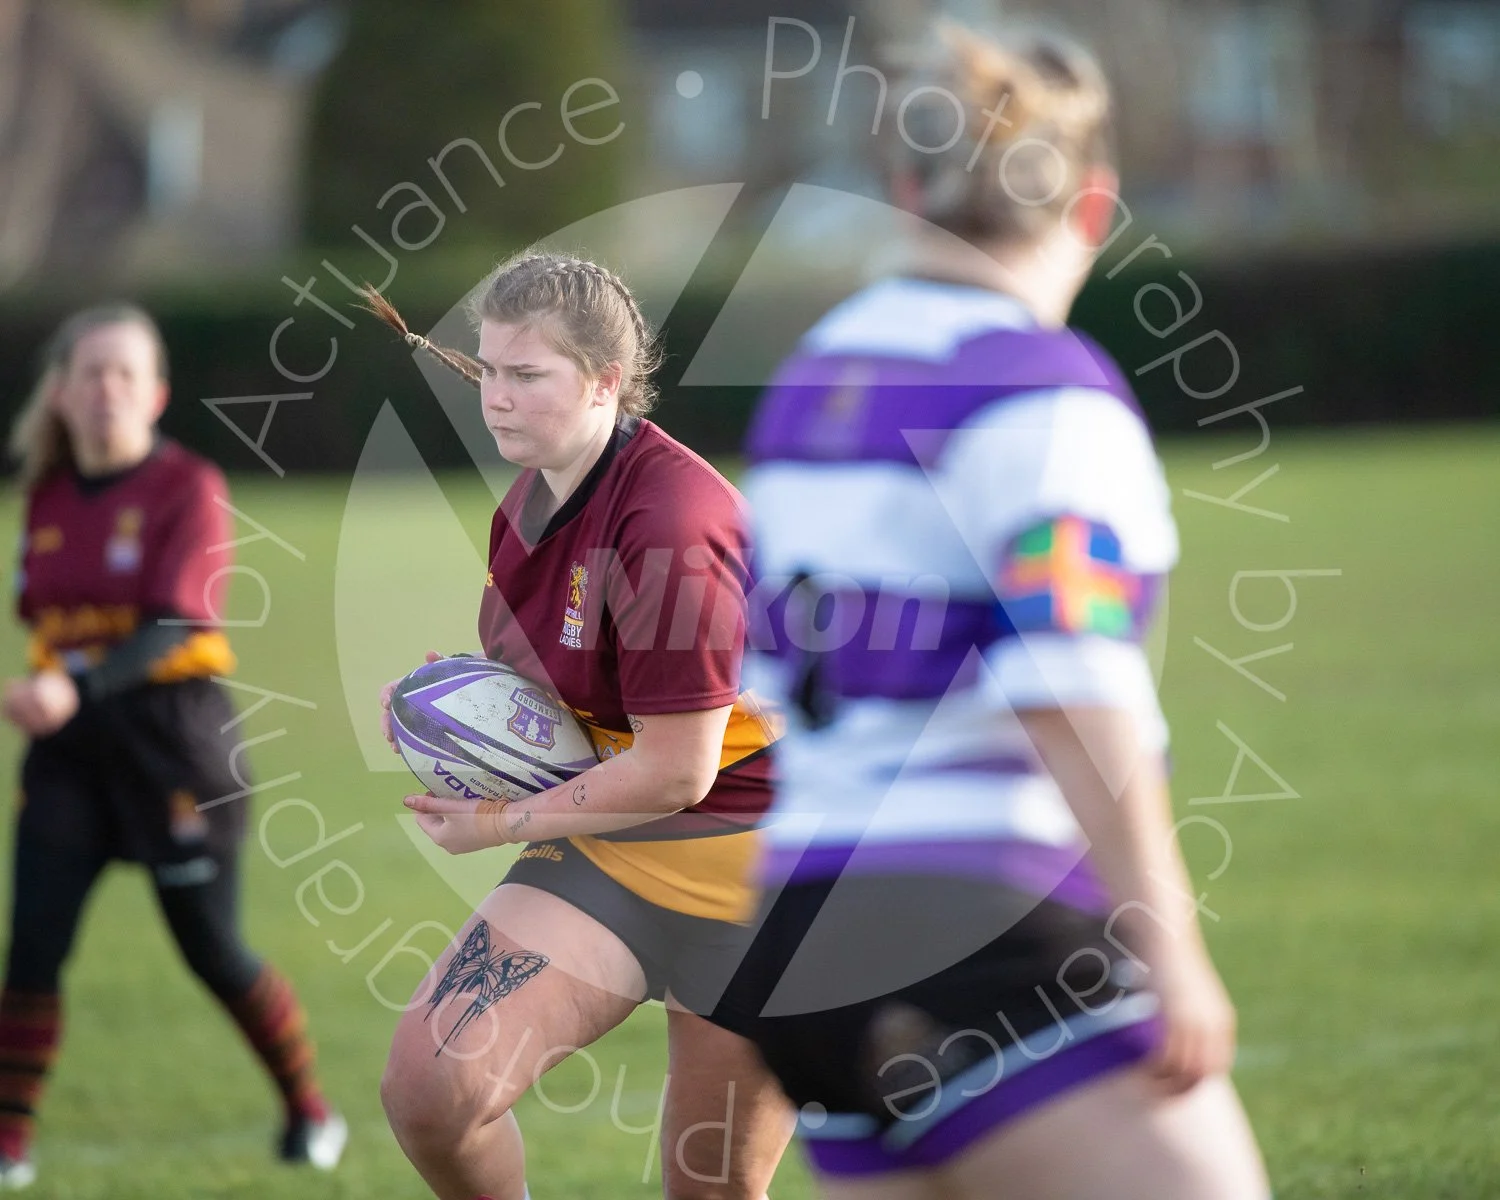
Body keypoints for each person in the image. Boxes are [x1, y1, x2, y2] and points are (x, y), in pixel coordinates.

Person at [720, 23, 1272, 1200]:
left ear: (906, 191)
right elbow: (1070, 686)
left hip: (797, 929)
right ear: (1095, 203)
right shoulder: (1043, 387)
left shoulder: (817, 374)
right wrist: (1171, 947)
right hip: (975, 922)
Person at [369, 254, 793, 1200]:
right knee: (433, 1087)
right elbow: (558, 687)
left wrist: (494, 825)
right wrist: (453, 702)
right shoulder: (529, 503)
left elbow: (679, 771)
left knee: (711, 1189)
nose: (496, 399)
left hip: (755, 872)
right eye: (488, 371)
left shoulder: (672, 520)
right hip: (612, 846)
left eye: (528, 376)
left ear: (605, 382)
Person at [0, 304, 346, 1189]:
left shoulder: (187, 486)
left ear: (156, 393)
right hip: (70, 753)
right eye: (90, 374)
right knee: (32, 950)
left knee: (212, 951)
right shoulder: (44, 494)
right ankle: (9, 1146)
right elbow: (44, 620)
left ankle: (310, 1110)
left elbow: (173, 623)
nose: (106, 389)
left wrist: (69, 686)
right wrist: (47, 692)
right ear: (65, 395)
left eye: (124, 373)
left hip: (174, 745)